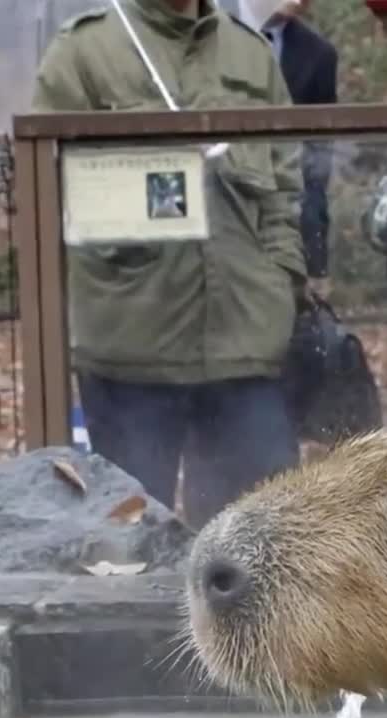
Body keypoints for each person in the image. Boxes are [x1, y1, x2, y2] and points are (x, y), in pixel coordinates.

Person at [32, 0, 306, 529]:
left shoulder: (250, 55)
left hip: (244, 342)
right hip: (132, 343)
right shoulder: (83, 52)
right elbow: (53, 186)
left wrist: (282, 281)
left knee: (262, 540)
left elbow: (285, 187)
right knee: (127, 545)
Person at [245, 0, 338, 291]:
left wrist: (316, 258)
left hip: (282, 222)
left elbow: (316, 168)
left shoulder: (318, 55)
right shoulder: (206, 29)